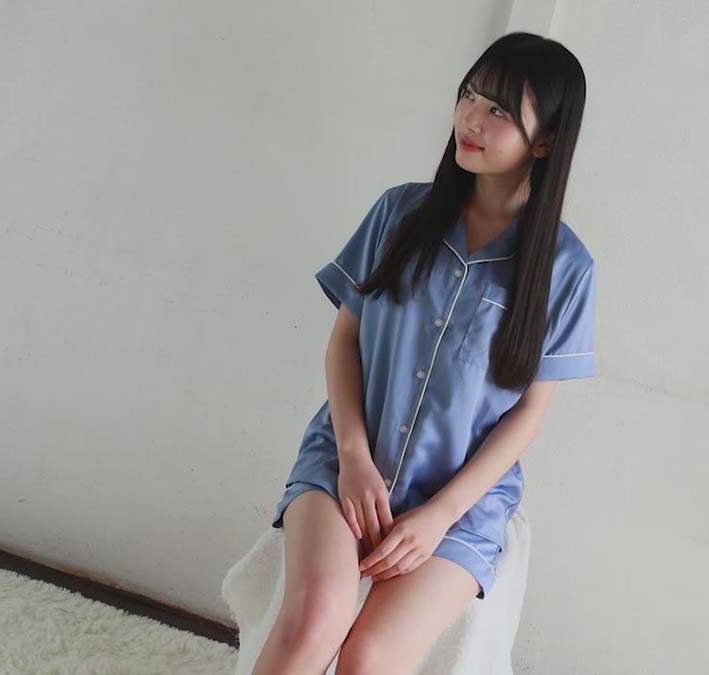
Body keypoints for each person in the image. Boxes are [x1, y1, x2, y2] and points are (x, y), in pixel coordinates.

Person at [252, 31, 596, 675]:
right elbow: (345, 341)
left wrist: (441, 514)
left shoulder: (566, 269)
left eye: (498, 110)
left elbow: (528, 413)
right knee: (313, 621)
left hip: (459, 504)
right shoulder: (399, 213)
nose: (470, 118)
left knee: (370, 659)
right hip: (347, 460)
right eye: (470, 95)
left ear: (545, 141)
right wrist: (354, 458)